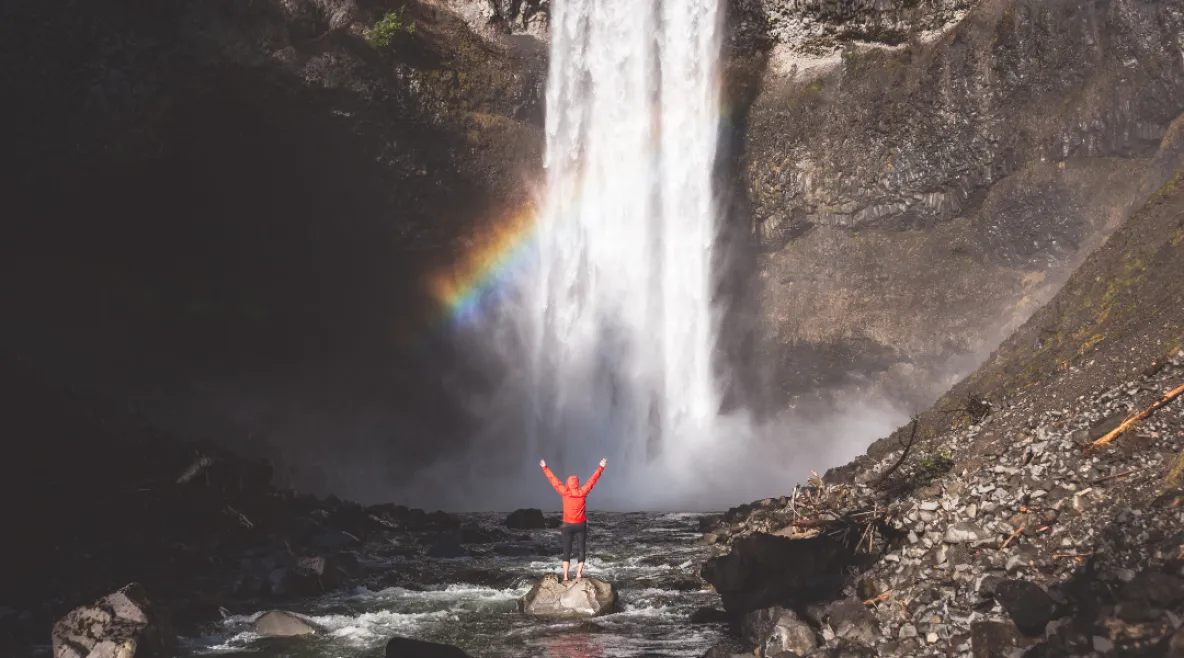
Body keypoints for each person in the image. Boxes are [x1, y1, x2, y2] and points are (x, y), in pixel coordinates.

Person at [539, 457, 606, 581]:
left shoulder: (565, 492)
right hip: (580, 525)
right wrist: (601, 466)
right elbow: (593, 480)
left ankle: (565, 576)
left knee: (566, 551)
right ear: (577, 484)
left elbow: (553, 480)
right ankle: (579, 574)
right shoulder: (583, 492)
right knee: (581, 549)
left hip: (567, 526)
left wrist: (545, 467)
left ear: (568, 484)